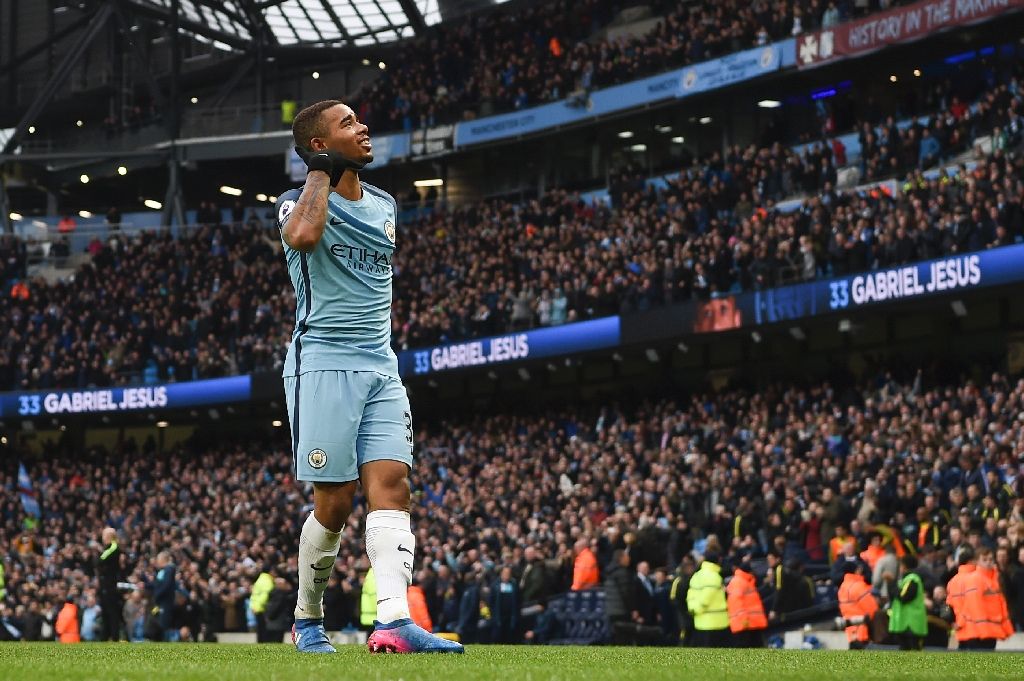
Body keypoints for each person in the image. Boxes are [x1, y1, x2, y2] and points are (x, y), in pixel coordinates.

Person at [278, 99, 461, 655]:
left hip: (381, 364)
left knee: (392, 487)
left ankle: (394, 622)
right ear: (319, 145)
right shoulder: (295, 203)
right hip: (324, 363)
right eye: (347, 124)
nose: (363, 129)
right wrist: (318, 174)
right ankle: (307, 620)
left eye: (359, 120)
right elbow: (304, 239)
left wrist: (331, 165)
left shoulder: (384, 203)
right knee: (334, 501)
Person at [686, 551, 730, 647]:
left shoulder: (696, 575)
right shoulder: (714, 576)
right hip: (717, 623)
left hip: (700, 622)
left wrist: (693, 610)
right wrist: (699, 608)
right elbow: (706, 598)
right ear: (718, 561)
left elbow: (690, 595)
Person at [888, 555, 927, 651]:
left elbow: (903, 597)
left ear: (904, 566)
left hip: (910, 623)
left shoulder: (912, 579)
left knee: (912, 649)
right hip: (905, 622)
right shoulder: (905, 580)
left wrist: (892, 583)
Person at [726, 562, 767, 647]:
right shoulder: (739, 582)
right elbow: (737, 603)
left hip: (750, 624)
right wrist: (743, 620)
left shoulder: (744, 581)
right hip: (745, 625)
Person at [837, 562, 877, 649]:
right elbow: (872, 609)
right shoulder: (859, 587)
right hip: (863, 630)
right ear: (856, 570)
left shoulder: (842, 587)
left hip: (850, 631)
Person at [97, 527, 123, 641]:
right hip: (105, 585)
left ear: (108, 536)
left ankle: (114, 637)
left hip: (110, 585)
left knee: (112, 613)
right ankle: (105, 637)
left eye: (103, 535)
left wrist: (99, 556)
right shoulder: (109, 548)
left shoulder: (113, 547)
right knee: (106, 613)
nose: (102, 538)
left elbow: (101, 559)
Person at [152, 551, 177, 642]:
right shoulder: (163, 571)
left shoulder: (169, 570)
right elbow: (157, 584)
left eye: (158, 559)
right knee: (159, 621)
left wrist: (157, 595)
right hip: (161, 602)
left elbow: (165, 586)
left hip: (165, 602)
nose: (157, 561)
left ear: (163, 559)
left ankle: (164, 643)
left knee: (163, 624)